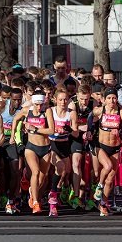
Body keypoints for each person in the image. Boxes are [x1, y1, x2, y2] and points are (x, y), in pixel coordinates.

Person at [87, 87, 122, 216]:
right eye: (109, 98)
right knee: (108, 166)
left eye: (114, 98)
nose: (112, 100)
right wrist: (89, 130)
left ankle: (103, 204)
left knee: (110, 179)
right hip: (101, 146)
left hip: (115, 148)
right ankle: (99, 186)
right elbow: (90, 116)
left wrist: (120, 133)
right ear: (105, 100)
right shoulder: (101, 110)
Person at [10, 90, 54, 214]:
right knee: (35, 172)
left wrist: (35, 129)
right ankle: (35, 202)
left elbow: (51, 130)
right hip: (31, 147)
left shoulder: (47, 111)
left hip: (45, 148)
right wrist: (13, 135)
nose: (39, 107)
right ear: (33, 103)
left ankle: (31, 191)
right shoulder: (26, 110)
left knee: (42, 177)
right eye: (37, 104)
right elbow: (16, 119)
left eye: (41, 104)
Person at [46, 88, 78, 217]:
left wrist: (68, 129)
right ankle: (52, 198)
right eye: (60, 99)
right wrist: (55, 129)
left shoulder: (71, 113)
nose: (63, 102)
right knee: (60, 167)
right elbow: (46, 128)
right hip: (51, 143)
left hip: (64, 144)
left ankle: (56, 191)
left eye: (65, 99)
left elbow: (76, 133)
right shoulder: (51, 111)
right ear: (55, 100)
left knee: (67, 171)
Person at [0, 87, 23, 214]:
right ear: (9, 98)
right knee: (1, 170)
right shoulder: (2, 105)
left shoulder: (22, 110)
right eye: (15, 100)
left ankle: (11, 200)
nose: (17, 103)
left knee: (15, 171)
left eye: (19, 100)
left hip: (11, 142)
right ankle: (2, 196)